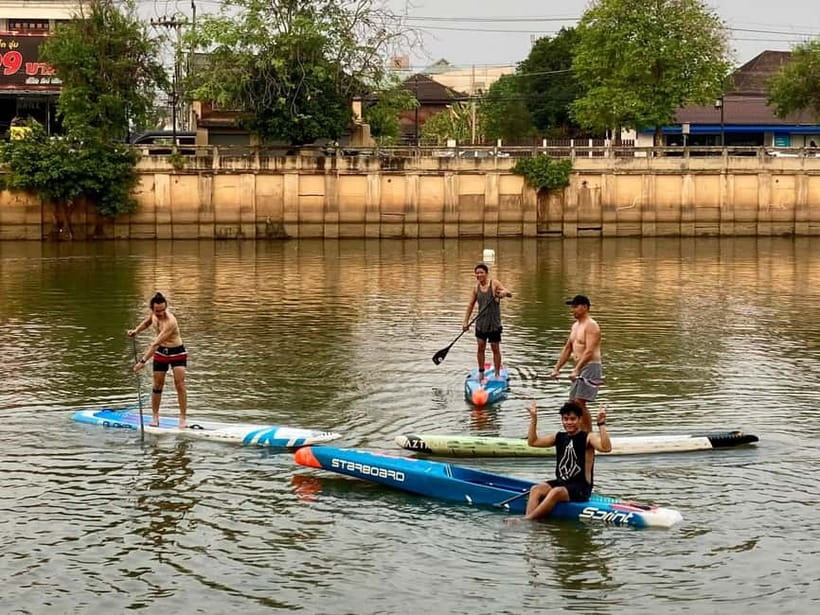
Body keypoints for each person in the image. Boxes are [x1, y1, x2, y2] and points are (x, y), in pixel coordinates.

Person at [522, 400, 611, 521]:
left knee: (555, 492)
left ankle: (527, 521)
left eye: (573, 419)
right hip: (562, 482)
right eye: (565, 419)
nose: (569, 422)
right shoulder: (559, 437)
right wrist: (533, 419)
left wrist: (601, 423)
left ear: (580, 419)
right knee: (536, 489)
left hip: (581, 488)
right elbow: (533, 442)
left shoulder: (588, 437)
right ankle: (531, 522)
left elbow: (606, 448)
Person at [127, 292, 188, 428]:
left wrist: (142, 362)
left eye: (163, 310)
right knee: (157, 385)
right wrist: (136, 331)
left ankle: (183, 418)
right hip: (161, 353)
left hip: (177, 352)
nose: (160, 313)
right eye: (157, 311)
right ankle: (155, 417)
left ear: (166, 307)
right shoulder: (154, 314)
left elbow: (155, 344)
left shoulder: (170, 322)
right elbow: (147, 322)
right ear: (152, 309)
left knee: (180, 384)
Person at [549, 294, 602, 433]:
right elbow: (568, 348)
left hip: (591, 366)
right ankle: (577, 433)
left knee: (579, 402)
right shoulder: (575, 326)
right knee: (572, 404)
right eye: (572, 307)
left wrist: (576, 370)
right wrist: (556, 369)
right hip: (579, 367)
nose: (572, 310)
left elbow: (590, 350)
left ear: (585, 307)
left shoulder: (591, 325)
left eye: (575, 306)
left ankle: (589, 436)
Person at [462, 263, 512, 382]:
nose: (479, 275)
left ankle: (497, 374)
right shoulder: (476, 288)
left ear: (486, 273)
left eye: (481, 272)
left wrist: (504, 293)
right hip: (481, 324)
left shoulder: (494, 284)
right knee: (480, 348)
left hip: (494, 323)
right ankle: (481, 373)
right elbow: (470, 305)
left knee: (495, 348)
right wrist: (465, 322)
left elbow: (509, 293)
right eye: (477, 273)